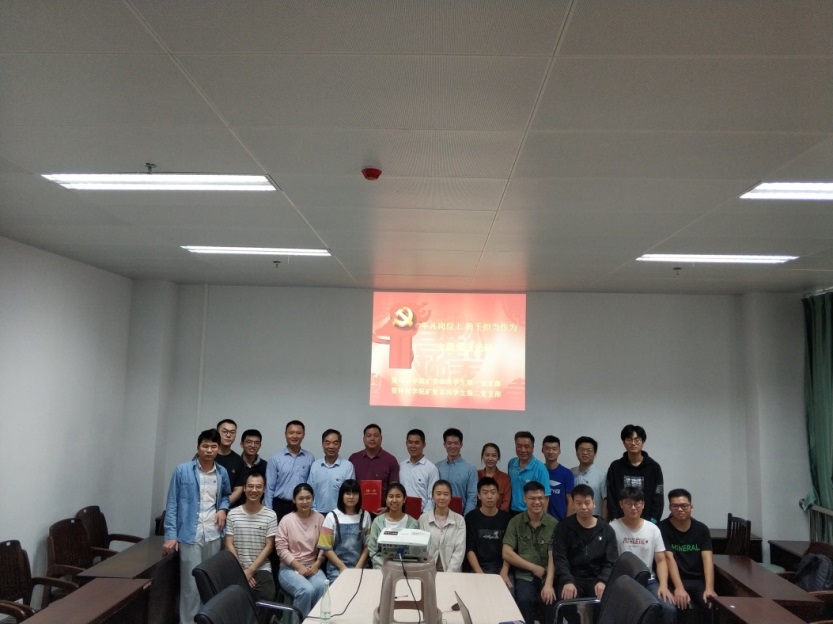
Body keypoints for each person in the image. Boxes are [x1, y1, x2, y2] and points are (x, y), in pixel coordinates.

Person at [163, 429, 231, 624]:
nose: (209, 450)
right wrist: (170, 535)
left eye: (213, 446)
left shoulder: (222, 472)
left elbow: (225, 496)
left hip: (213, 533)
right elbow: (172, 504)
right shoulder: (182, 470)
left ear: (218, 449)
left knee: (209, 582)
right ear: (198, 447)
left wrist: (223, 509)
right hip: (189, 535)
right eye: (205, 446)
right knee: (190, 586)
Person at [610, 487, 677, 624]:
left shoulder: (653, 529)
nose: (633, 507)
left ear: (643, 505)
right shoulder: (612, 527)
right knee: (625, 611)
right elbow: (609, 559)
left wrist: (663, 585)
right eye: (628, 503)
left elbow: (661, 561)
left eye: (637, 503)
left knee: (669, 609)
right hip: (622, 581)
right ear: (621, 504)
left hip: (648, 581)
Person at [552, 484, 618, 624]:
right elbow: (560, 557)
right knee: (569, 605)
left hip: (596, 577)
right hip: (573, 576)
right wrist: (567, 580)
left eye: (587, 503)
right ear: (573, 504)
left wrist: (603, 580)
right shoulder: (563, 527)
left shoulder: (606, 530)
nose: (583, 507)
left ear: (594, 503)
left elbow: (611, 561)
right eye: (579, 503)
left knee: (604, 606)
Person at [224, 472, 278, 619]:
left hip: (261, 567)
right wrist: (242, 570)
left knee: (267, 596)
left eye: (258, 487)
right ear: (244, 488)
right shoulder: (233, 514)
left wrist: (251, 570)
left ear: (264, 489)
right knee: (234, 599)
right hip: (237, 566)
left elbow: (269, 546)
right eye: (250, 486)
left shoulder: (271, 515)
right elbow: (229, 543)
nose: (254, 490)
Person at [502, 481, 557, 624]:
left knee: (550, 601)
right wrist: (533, 568)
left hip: (547, 574)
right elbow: (507, 552)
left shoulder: (554, 524)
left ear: (545, 499)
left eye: (540, 498)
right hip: (524, 575)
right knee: (523, 600)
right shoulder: (515, 522)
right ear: (524, 499)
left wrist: (549, 584)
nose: (537, 502)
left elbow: (553, 556)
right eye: (532, 498)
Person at [659, 489, 717, 615]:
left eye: (684, 505)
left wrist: (709, 588)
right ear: (670, 507)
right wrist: (679, 588)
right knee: (677, 607)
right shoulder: (662, 528)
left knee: (712, 606)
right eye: (675, 506)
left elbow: (707, 559)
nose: (680, 509)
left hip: (697, 580)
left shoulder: (701, 529)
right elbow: (669, 558)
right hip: (673, 581)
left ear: (691, 507)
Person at [275, 483, 327, 618]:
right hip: (289, 568)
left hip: (312, 566)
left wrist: (317, 564)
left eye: (308, 498)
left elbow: (325, 544)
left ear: (313, 499)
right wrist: (298, 566)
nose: (305, 502)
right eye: (301, 498)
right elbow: (281, 549)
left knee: (322, 586)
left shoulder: (320, 518)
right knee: (306, 590)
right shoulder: (286, 520)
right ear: (294, 500)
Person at [605, 424, 664, 522]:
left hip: (647, 523)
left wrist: (652, 521)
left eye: (637, 440)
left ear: (643, 442)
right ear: (623, 442)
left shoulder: (654, 467)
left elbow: (658, 497)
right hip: (620, 522)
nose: (633, 443)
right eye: (629, 439)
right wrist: (616, 520)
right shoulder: (615, 467)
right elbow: (611, 496)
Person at [318, 479, 371, 582]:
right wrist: (342, 567)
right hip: (337, 569)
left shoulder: (365, 515)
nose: (351, 497)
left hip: (360, 567)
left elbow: (368, 546)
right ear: (341, 495)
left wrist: (358, 568)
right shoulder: (331, 516)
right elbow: (326, 547)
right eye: (347, 493)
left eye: (355, 493)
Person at [265, 420, 315, 524]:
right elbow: (269, 488)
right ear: (285, 434)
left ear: (303, 435)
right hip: (280, 506)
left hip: (302, 505)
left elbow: (311, 485)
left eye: (298, 433)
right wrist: (269, 511)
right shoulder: (275, 458)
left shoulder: (310, 458)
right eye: (291, 433)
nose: (295, 436)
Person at [465, 476, 511, 574]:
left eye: (493, 492)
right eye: (485, 493)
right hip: (477, 568)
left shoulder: (507, 518)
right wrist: (479, 572)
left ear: (498, 495)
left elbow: (509, 548)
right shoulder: (470, 518)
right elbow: (469, 549)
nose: (489, 496)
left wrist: (504, 571)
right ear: (479, 496)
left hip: (501, 569)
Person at [368, 482, 419, 568]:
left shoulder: (413, 523)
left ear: (404, 499)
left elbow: (415, 552)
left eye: (398, 496)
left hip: (406, 570)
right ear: (386, 499)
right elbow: (372, 550)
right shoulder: (377, 522)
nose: (394, 500)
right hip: (381, 569)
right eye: (391, 496)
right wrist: (386, 567)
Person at [418, 480, 466, 572]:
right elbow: (420, 549)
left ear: (451, 496)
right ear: (433, 496)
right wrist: (427, 571)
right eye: (438, 494)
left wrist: (449, 573)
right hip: (427, 571)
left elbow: (459, 550)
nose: (442, 497)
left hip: (452, 573)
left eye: (446, 494)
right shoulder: (423, 518)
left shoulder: (459, 520)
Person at [348, 423, 400, 505]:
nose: (372, 439)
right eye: (368, 436)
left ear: (381, 438)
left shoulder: (391, 460)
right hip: (357, 509)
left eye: (376, 435)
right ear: (363, 439)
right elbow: (349, 487)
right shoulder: (354, 459)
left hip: (382, 509)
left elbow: (395, 489)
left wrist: (387, 508)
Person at [308, 428, 355, 515]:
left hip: (340, 515)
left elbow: (350, 493)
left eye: (335, 443)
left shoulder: (347, 466)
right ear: (322, 444)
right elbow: (310, 491)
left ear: (340, 445)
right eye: (327, 443)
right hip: (317, 514)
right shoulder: (315, 465)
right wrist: (314, 511)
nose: (331, 446)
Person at [507, 431, 551, 514]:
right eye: (519, 446)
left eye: (526, 446)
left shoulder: (540, 468)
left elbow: (545, 497)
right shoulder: (511, 463)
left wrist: (541, 518)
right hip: (512, 512)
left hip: (531, 513)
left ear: (533, 448)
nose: (523, 450)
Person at [436, 427, 477, 514]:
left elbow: (472, 498)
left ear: (461, 445)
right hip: (439, 515)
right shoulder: (437, 467)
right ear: (444, 445)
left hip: (460, 515)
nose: (452, 446)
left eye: (456, 443)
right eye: (449, 443)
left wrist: (466, 518)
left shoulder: (470, 469)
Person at [399, 428, 439, 513]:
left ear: (423, 445)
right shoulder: (401, 466)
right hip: (401, 514)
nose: (413, 446)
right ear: (406, 444)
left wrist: (423, 516)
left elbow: (432, 497)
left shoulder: (431, 469)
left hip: (423, 515)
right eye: (410, 442)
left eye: (417, 443)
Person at [571, 436, 606, 518]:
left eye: (589, 450)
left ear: (595, 454)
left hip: (594, 519)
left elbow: (605, 501)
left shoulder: (602, 475)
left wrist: (603, 521)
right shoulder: (570, 473)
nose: (585, 453)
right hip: (573, 519)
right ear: (576, 452)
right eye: (582, 450)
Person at [542, 435, 575, 521]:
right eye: (547, 448)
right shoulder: (538, 471)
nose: (551, 451)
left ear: (559, 451)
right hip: (541, 521)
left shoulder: (567, 473)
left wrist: (566, 523)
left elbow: (571, 500)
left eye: (554, 449)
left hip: (560, 521)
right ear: (542, 450)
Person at [215, 419, 246, 508]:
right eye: (224, 431)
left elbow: (238, 490)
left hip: (227, 509)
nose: (228, 435)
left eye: (232, 432)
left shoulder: (239, 461)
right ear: (217, 433)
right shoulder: (206, 455)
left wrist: (221, 507)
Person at [478, 442, 511, 512]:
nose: (490, 458)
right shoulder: (476, 475)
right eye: (487, 455)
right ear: (482, 456)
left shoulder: (505, 478)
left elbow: (506, 502)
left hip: (500, 515)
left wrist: (498, 515)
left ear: (498, 457)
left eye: (494, 455)